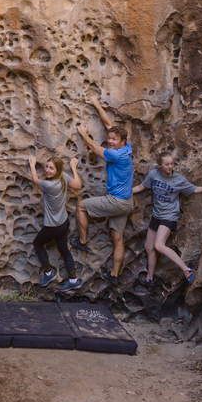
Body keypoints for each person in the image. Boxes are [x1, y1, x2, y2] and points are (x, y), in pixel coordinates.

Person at [75, 96, 134, 284]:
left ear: (123, 141)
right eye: (109, 139)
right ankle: (115, 275)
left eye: (114, 140)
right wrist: (96, 104)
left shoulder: (117, 155)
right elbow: (109, 125)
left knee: (82, 206)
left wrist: (83, 133)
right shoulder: (128, 149)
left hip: (116, 201)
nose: (110, 142)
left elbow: (94, 147)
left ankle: (82, 242)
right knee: (117, 238)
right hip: (127, 202)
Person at [133, 152, 202, 284]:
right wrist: (125, 192)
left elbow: (194, 190)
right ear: (160, 165)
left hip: (169, 215)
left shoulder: (178, 179)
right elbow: (142, 187)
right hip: (156, 215)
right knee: (149, 247)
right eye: (166, 164)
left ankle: (186, 270)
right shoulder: (153, 174)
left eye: (172, 164)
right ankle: (150, 278)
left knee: (159, 245)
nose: (170, 167)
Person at [27, 155, 84, 291]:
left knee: (37, 243)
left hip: (52, 226)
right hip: (64, 223)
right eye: (46, 166)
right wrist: (74, 168)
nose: (47, 170)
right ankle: (73, 280)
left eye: (51, 168)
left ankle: (48, 273)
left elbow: (35, 180)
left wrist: (32, 165)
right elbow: (78, 185)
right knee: (64, 250)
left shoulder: (48, 184)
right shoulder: (63, 176)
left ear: (57, 170)